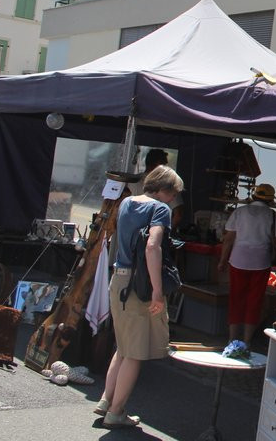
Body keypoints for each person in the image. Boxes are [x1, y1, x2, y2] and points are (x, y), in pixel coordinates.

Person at [95, 165, 184, 429]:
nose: (172, 200)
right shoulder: (160, 209)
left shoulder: (127, 203)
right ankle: (116, 411)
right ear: (166, 190)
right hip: (140, 284)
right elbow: (152, 246)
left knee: (122, 347)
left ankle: (106, 401)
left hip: (119, 279)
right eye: (173, 194)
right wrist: (158, 290)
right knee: (135, 353)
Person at [218, 183, 276, 347]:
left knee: (236, 298)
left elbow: (228, 239)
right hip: (261, 262)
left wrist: (222, 261)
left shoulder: (239, 212)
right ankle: (247, 341)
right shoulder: (272, 215)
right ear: (270, 200)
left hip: (238, 260)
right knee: (254, 301)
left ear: (254, 196)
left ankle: (232, 339)